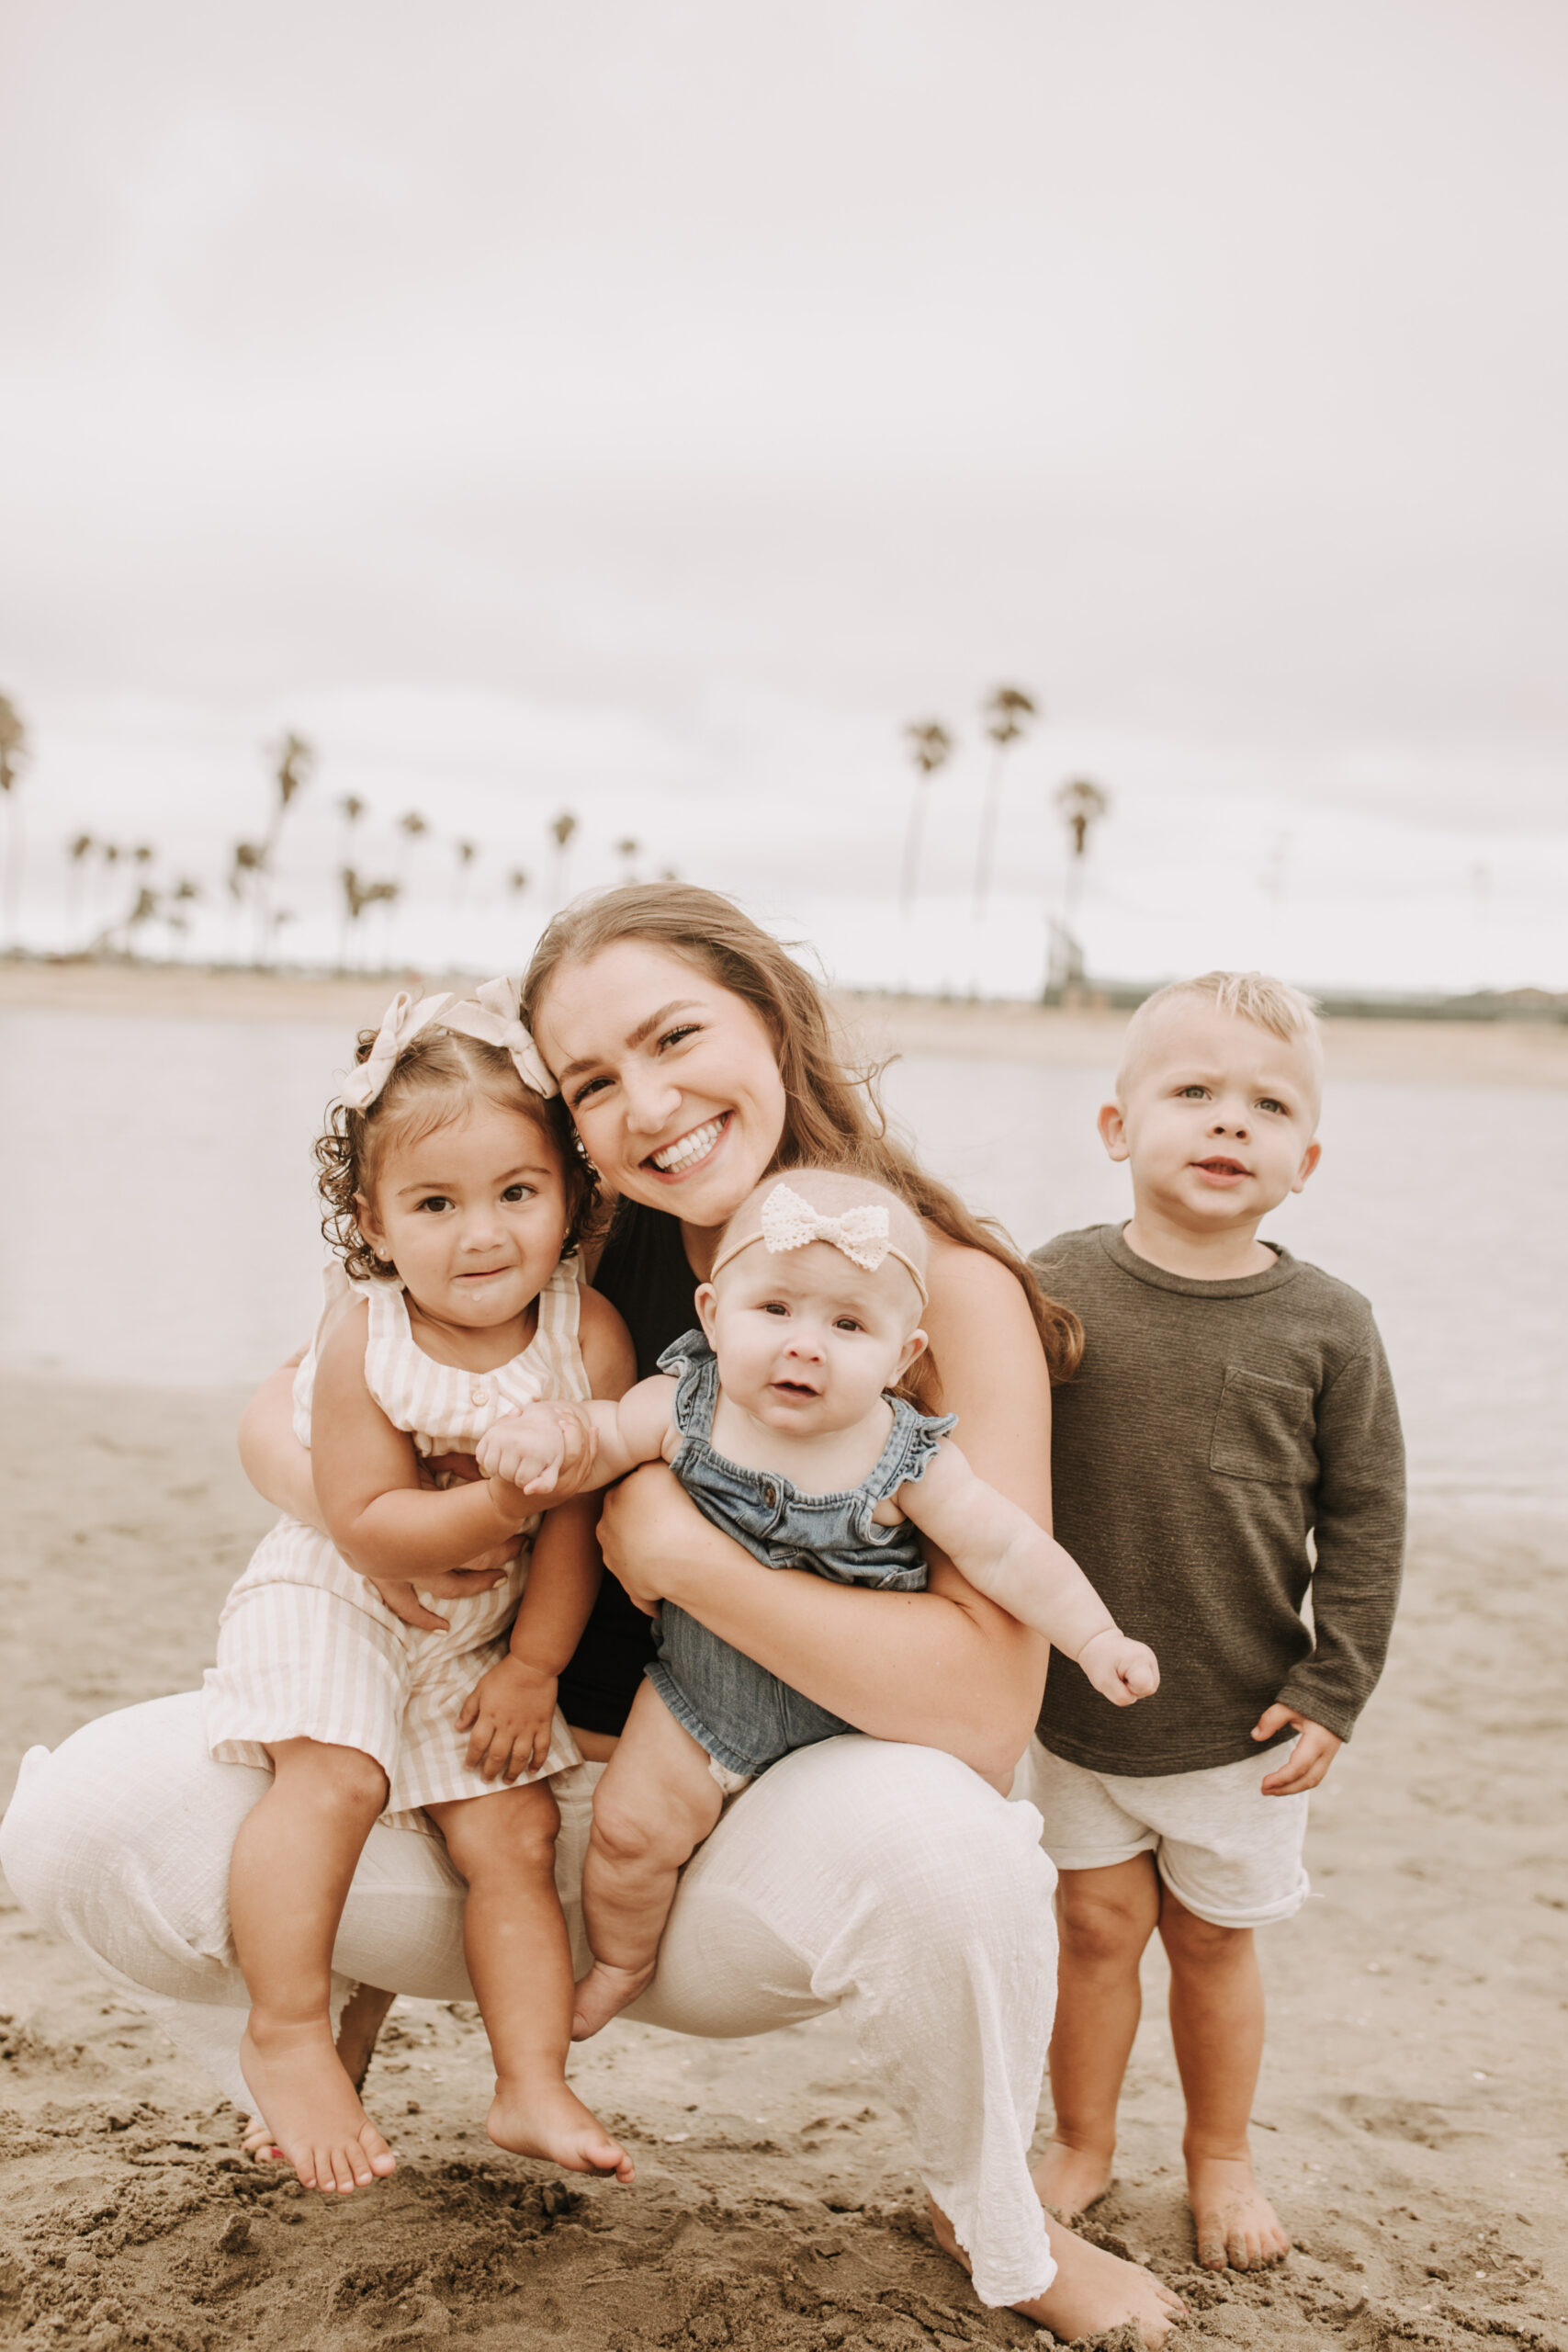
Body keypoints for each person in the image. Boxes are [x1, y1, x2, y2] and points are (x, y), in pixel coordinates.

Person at [0, 885, 1185, 2346]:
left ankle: (995, 2222)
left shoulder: (934, 1293)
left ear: (774, 1016)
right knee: (76, 1820)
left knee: (958, 1851)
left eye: (675, 1036)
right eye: (595, 1083)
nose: (652, 1104)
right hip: (491, 1811)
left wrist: (681, 1558)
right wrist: (387, 1526)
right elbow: (284, 1413)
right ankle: (331, 2025)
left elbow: (982, 1710)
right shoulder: (557, 1240)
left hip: (749, 1852)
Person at [476, 1165, 1158, 2039]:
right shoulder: (684, 1405)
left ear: (905, 1355)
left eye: (847, 1325)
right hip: (699, 1703)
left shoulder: (910, 1460)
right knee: (628, 1834)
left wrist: (1095, 1637)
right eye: (776, 1311)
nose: (805, 1345)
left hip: (850, 1724)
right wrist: (541, 1435)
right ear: (713, 1314)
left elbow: (1008, 1550)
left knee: (897, 1841)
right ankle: (622, 1961)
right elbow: (598, 1434)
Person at [202, 979, 636, 2192]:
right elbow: (366, 1520)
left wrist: (532, 1668)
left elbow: (577, 1530)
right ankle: (287, 2029)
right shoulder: (367, 1337)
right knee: (333, 1773)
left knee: (513, 1828)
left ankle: (531, 2081)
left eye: (517, 1193)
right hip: (338, 1594)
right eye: (434, 1204)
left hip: (486, 1628)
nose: (482, 1233)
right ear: (374, 1220)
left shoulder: (583, 1335)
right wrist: (497, 1496)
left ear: (567, 1192)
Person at [1024, 969, 1404, 2274]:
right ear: (1116, 1126)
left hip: (1244, 1716)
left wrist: (1332, 1687)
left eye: (1264, 1104)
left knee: (1209, 1939)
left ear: (1304, 1158)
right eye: (1190, 1092)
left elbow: (1363, 1521)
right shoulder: (1054, 1285)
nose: (1226, 1123)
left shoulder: (1326, 1326)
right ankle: (1076, 2143)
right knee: (1091, 1930)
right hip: (1073, 1708)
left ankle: (1216, 2156)